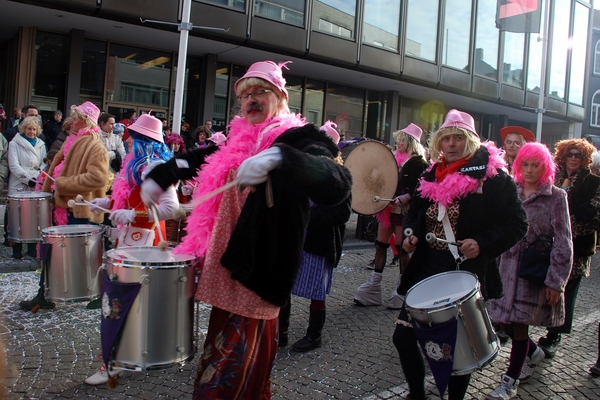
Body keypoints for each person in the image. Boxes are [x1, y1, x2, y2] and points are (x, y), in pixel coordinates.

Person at [139, 60, 352, 398]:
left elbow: (338, 184)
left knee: (224, 379)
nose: (251, 100)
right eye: (245, 95)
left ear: (280, 97)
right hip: (229, 270)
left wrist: (283, 158)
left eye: (260, 92)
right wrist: (160, 176)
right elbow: (195, 159)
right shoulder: (238, 138)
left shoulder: (300, 138)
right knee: (238, 375)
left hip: (260, 273)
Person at [392, 109, 528, 400]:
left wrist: (482, 242)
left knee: (459, 349)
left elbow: (518, 224)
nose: (451, 144)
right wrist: (410, 234)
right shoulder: (431, 174)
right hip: (427, 269)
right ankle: (418, 395)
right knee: (403, 337)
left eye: (458, 138)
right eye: (446, 138)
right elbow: (416, 212)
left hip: (465, 273)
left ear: (471, 142)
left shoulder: (493, 179)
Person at [84, 113, 179, 385]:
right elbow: (128, 199)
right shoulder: (136, 163)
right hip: (129, 242)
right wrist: (106, 203)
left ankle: (113, 363)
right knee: (124, 303)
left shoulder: (154, 166)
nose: (127, 140)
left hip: (144, 243)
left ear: (143, 140)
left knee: (120, 304)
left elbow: (171, 209)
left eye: (133, 136)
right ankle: (125, 357)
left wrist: (132, 216)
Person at [486, 142, 572, 400]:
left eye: (537, 165)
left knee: (519, 324)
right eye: (526, 164)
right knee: (502, 320)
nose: (531, 170)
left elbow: (564, 241)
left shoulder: (556, 196)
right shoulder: (512, 190)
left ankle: (509, 381)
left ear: (546, 167)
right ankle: (532, 352)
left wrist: (556, 282)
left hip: (530, 271)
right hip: (504, 267)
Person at [18, 102, 110, 312]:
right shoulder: (72, 141)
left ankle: (102, 292)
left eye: (76, 117)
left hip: (79, 209)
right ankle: (45, 294)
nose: (71, 121)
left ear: (85, 121)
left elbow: (98, 178)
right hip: (63, 207)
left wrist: (62, 183)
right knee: (52, 251)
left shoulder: (94, 145)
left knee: (86, 257)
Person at [279, 122, 352, 352]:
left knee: (317, 291)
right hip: (295, 239)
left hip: (320, 242)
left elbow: (343, 213)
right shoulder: (301, 170)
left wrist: (309, 215)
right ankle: (280, 333)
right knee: (283, 285)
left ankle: (314, 335)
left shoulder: (340, 176)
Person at [536, 138, 600, 358]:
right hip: (547, 246)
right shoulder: (552, 177)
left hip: (577, 248)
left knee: (566, 291)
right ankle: (545, 327)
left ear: (585, 159)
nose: (573, 158)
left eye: (578, 155)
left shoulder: (594, 182)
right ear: (562, 155)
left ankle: (555, 336)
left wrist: (562, 227)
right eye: (570, 154)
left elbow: (595, 218)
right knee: (548, 289)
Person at [353, 123, 428, 308]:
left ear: (411, 141)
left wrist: (405, 197)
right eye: (399, 139)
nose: (399, 142)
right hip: (387, 210)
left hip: (404, 212)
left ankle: (402, 289)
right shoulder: (392, 158)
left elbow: (421, 189)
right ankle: (373, 286)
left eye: (403, 139)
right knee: (380, 246)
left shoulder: (419, 163)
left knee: (403, 250)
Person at [7, 116, 47, 259]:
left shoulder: (41, 143)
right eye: (29, 129)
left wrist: (36, 177)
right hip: (19, 183)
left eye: (34, 129)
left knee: (33, 218)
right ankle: (16, 249)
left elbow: (43, 163)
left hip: (35, 182)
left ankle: (31, 248)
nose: (31, 131)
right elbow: (13, 165)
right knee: (17, 218)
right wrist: (26, 178)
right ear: (24, 129)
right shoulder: (14, 143)